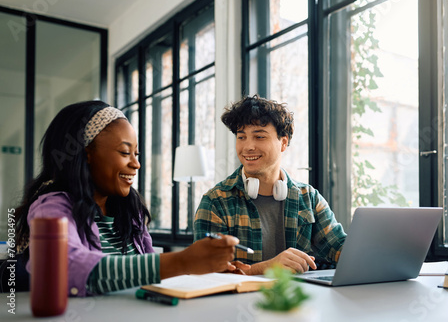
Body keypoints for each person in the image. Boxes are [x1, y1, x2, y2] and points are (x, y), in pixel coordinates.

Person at [15, 100, 240, 297]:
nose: (136, 164)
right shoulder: (52, 206)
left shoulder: (130, 210)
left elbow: (152, 273)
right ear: (86, 154)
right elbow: (61, 268)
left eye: (136, 154)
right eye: (125, 153)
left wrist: (204, 267)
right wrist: (182, 261)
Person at [194, 95, 347, 275]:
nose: (248, 146)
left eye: (259, 136)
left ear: (283, 143)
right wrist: (267, 267)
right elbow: (203, 271)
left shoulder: (309, 198)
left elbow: (340, 249)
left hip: (297, 300)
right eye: (241, 137)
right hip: (237, 302)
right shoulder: (215, 202)